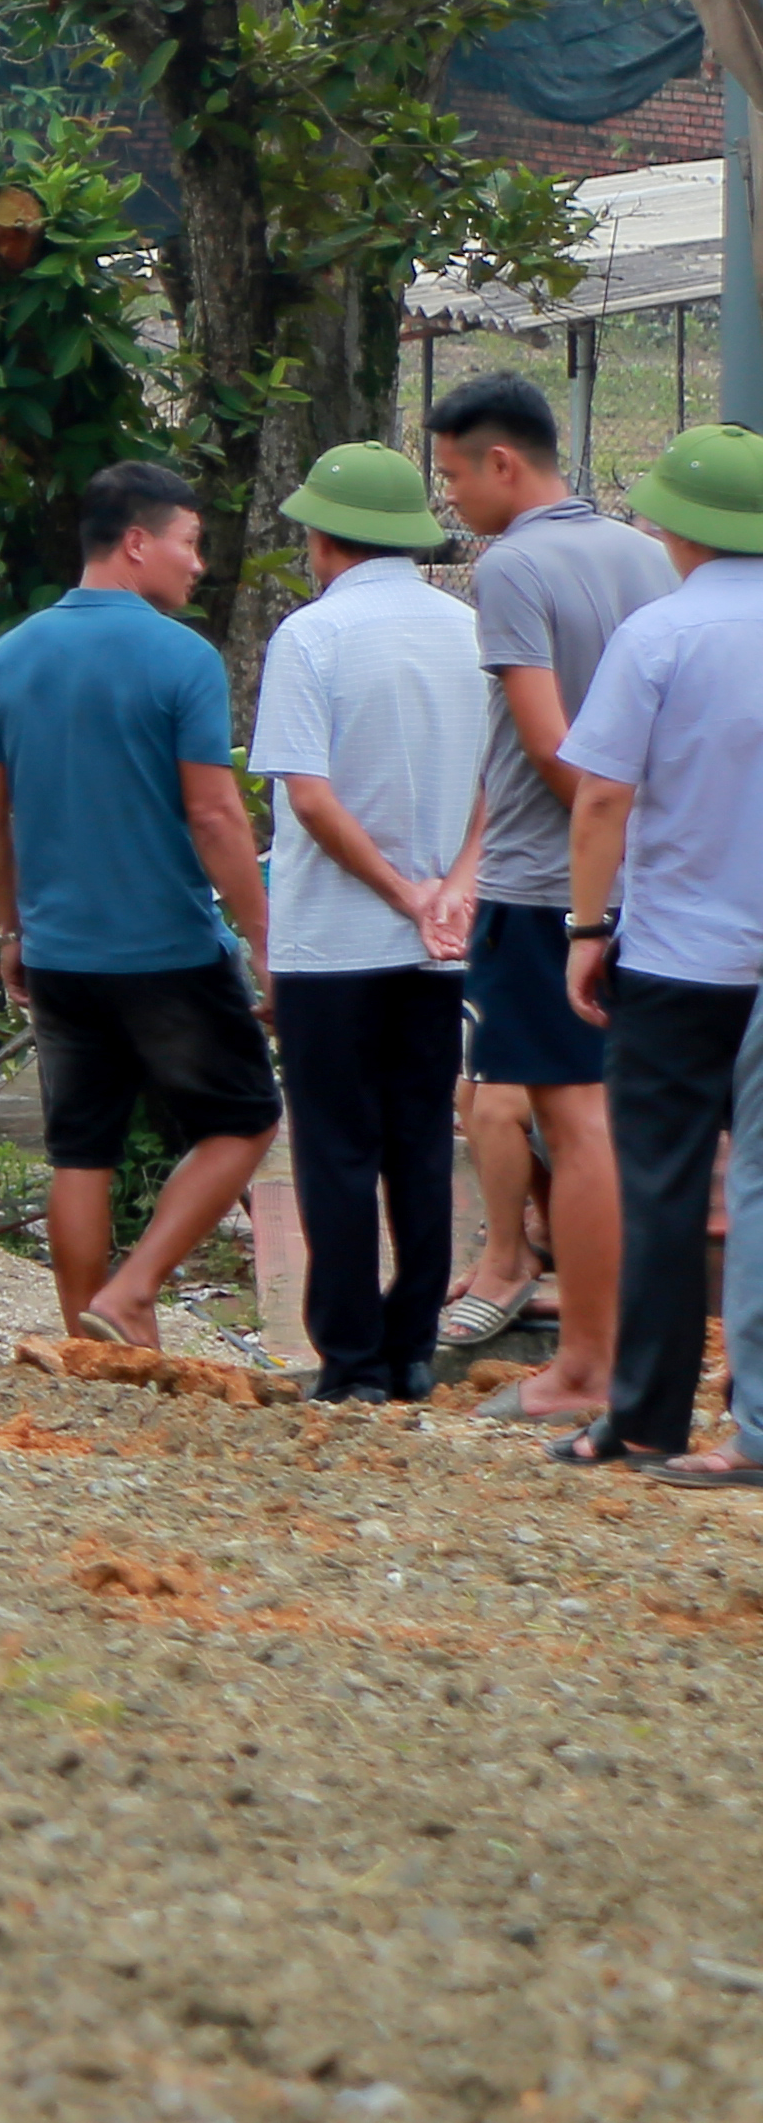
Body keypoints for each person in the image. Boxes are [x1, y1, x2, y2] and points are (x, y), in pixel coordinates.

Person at [0, 458, 278, 1347]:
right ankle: (132, 1292)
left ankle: (88, 1346)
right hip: (166, 947)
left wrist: (11, 927)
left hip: (59, 951)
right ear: (137, 543)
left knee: (80, 1151)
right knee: (244, 1118)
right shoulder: (182, 658)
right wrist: (264, 938)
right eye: (190, 543)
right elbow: (215, 812)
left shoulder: (8, 656)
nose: (198, 564)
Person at [425, 370, 657, 1424]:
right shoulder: (645, 554)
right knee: (620, 1118)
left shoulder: (511, 567)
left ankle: (584, 1367)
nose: (452, 502)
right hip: (648, 877)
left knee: (575, 1122)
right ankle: (617, 1357)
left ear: (502, 463)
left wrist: (603, 833)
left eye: (453, 477)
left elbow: (553, 742)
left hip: (544, 880)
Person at [244, 442, 489, 1403]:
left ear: (324, 537)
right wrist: (450, 891)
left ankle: (349, 1365)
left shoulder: (310, 638)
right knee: (422, 1140)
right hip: (439, 948)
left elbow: (307, 797)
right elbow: (494, 789)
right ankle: (413, 1349)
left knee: (338, 1150)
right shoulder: (470, 631)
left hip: (331, 943)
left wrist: (396, 892)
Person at [546, 421, 763, 1484]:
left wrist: (588, 930)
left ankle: (643, 1418)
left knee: (667, 1188)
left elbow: (601, 799)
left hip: (679, 959)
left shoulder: (661, 635)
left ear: (679, 526)